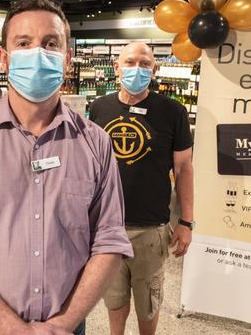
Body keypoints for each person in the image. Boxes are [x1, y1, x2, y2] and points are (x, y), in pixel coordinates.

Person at [0, 0, 133, 335]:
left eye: (50, 43)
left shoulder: (96, 143)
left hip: (64, 325)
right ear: (4, 58)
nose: (38, 53)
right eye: (24, 43)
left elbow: (109, 240)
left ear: (67, 59)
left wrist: (64, 323)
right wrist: (10, 327)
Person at [88, 42, 195, 335]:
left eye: (145, 64)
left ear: (154, 70)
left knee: (148, 303)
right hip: (107, 228)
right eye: (130, 62)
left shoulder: (173, 111)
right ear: (116, 67)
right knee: (114, 300)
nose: (137, 69)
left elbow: (184, 169)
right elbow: (90, 167)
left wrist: (186, 221)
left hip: (150, 229)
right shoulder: (99, 107)